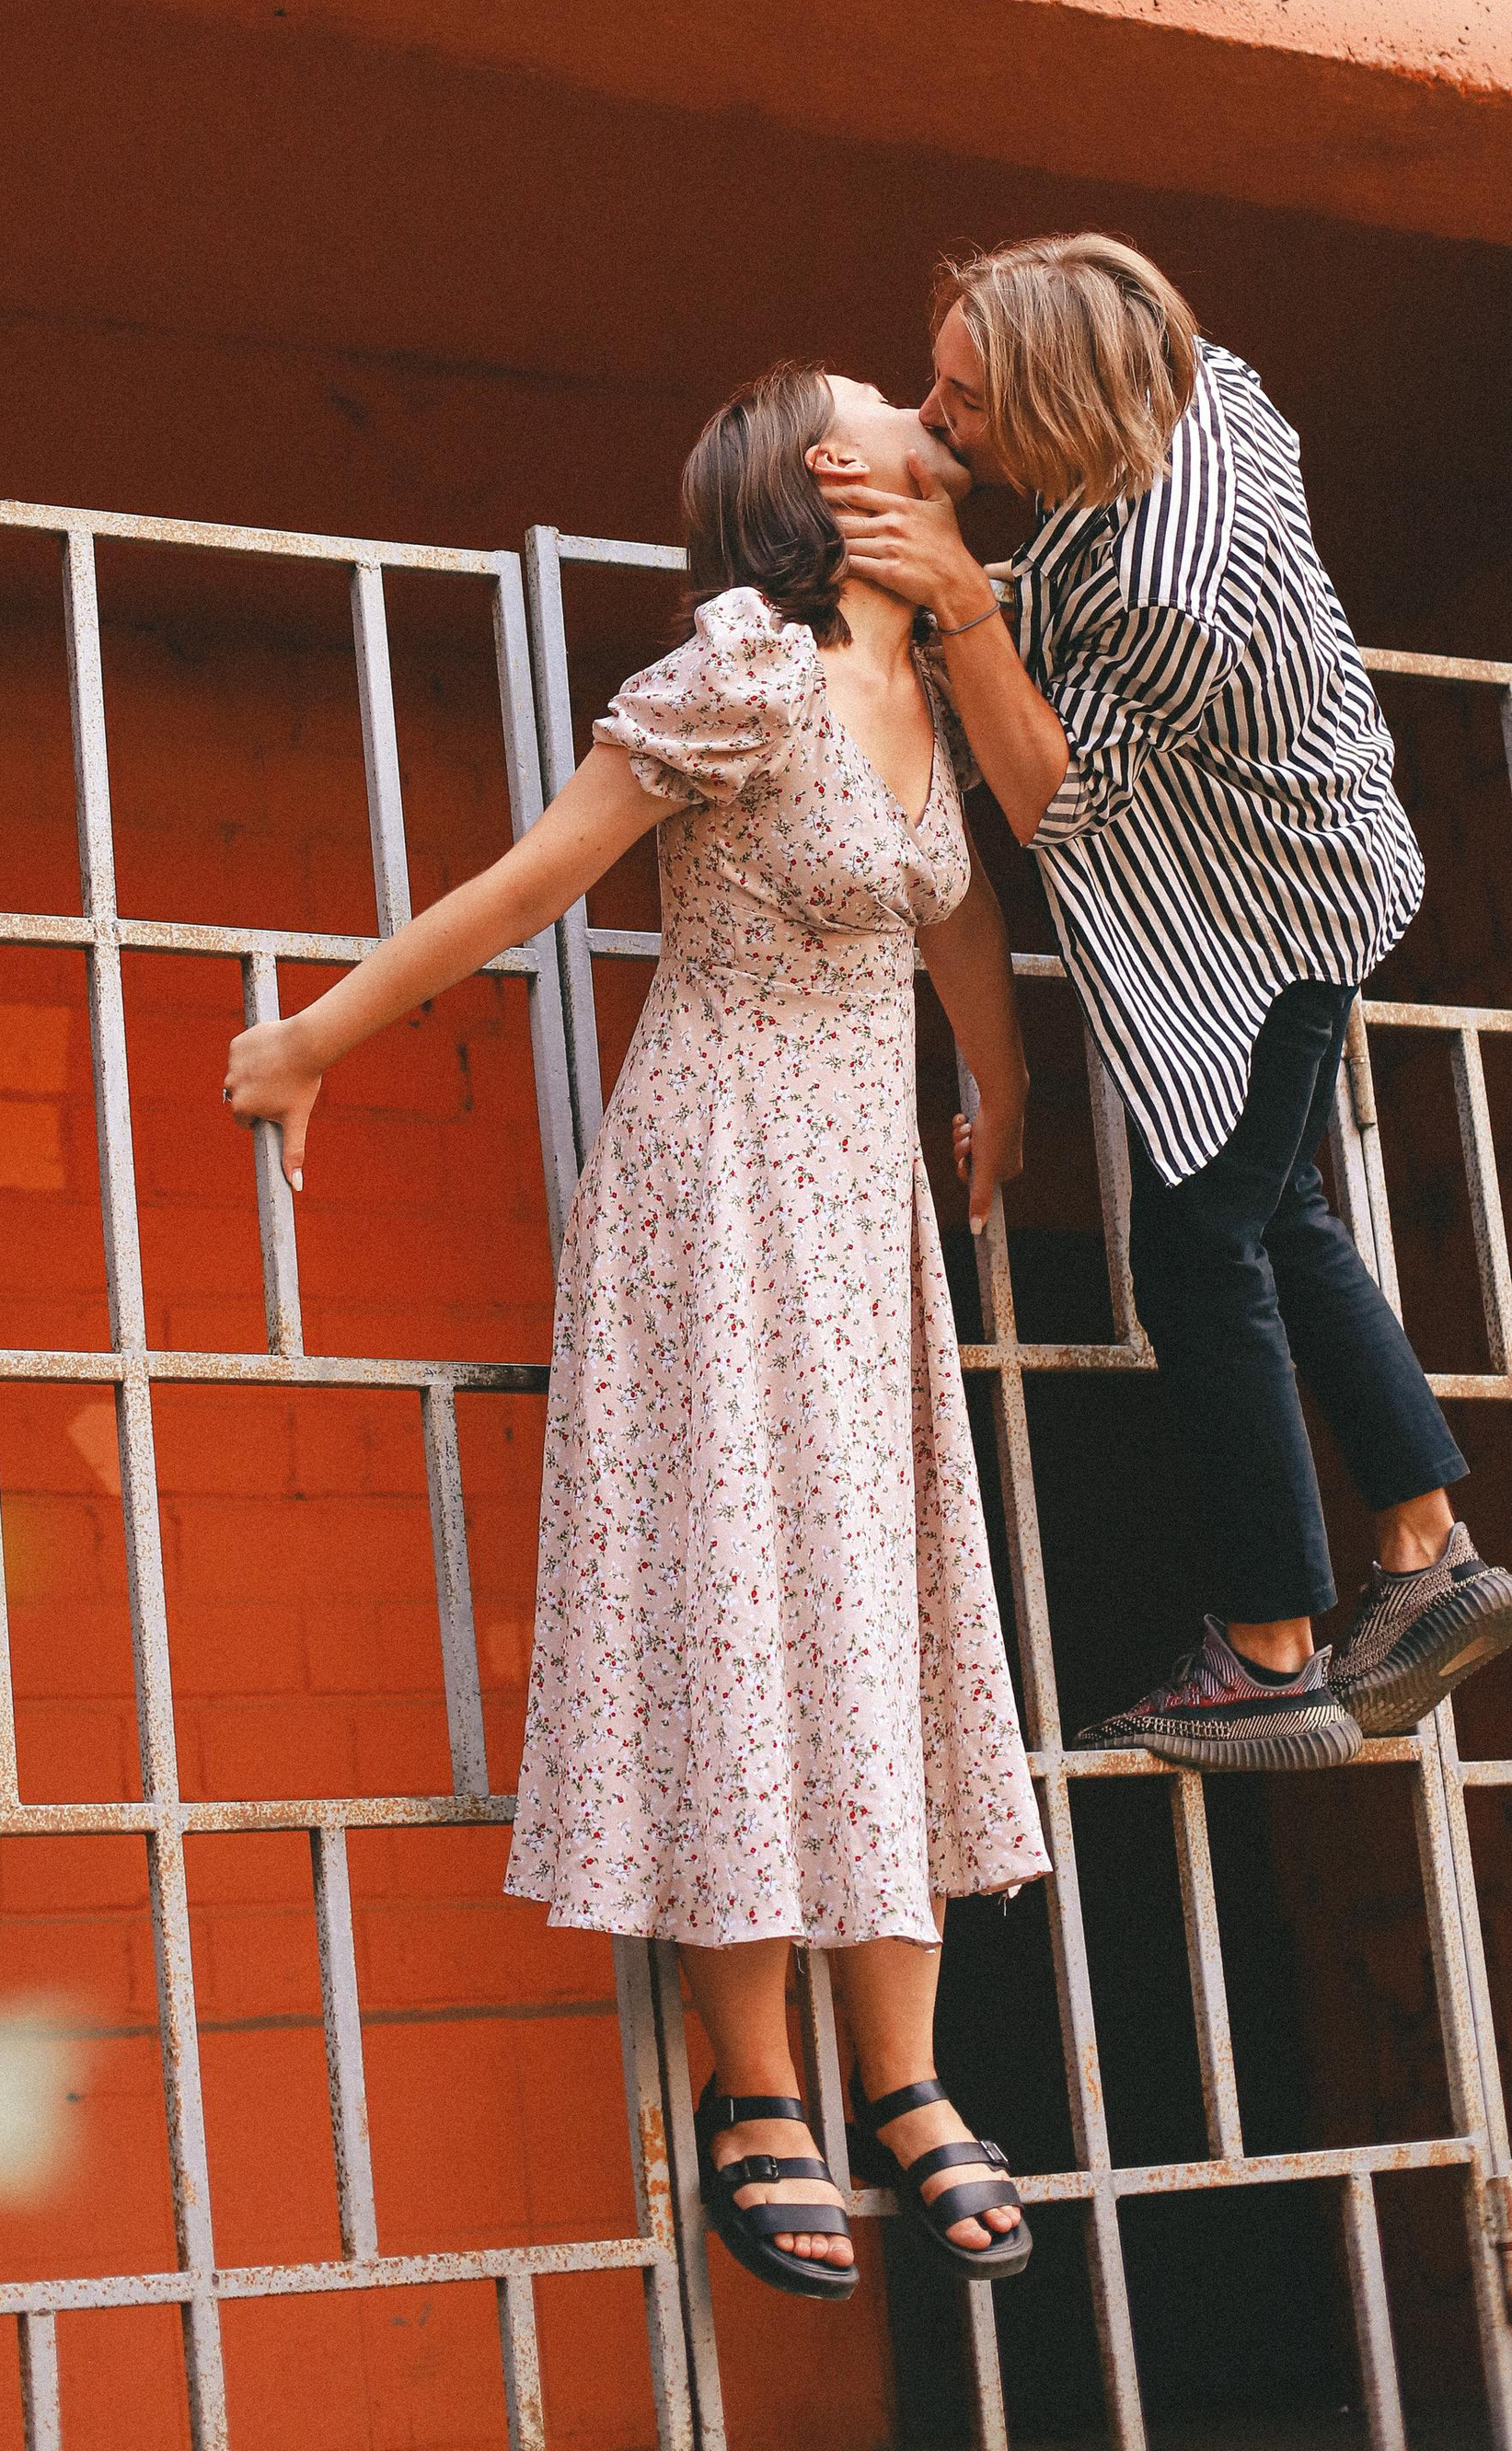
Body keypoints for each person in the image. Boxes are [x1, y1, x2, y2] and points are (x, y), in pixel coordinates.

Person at [225, 367, 1046, 2302]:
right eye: (885, 408)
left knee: (880, 1606)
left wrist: (994, 1095)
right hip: (716, 1200)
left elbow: (952, 917)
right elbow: (541, 877)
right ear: (818, 482)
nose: (933, 421)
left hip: (859, 1221)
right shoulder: (741, 669)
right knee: (734, 1618)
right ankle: (755, 2084)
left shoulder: (933, 674)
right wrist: (313, 1041)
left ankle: (905, 2073)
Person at [822, 232, 1512, 1769]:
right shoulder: (1198, 382)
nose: (938, 426)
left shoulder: (1161, 585)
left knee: (1201, 1250)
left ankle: (1274, 1646)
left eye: (967, 404)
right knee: (1278, 1212)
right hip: (1295, 848)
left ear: (1064, 405)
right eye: (933, 385)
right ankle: (1425, 1553)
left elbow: (1045, 793)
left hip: (1271, 901)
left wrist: (961, 606)